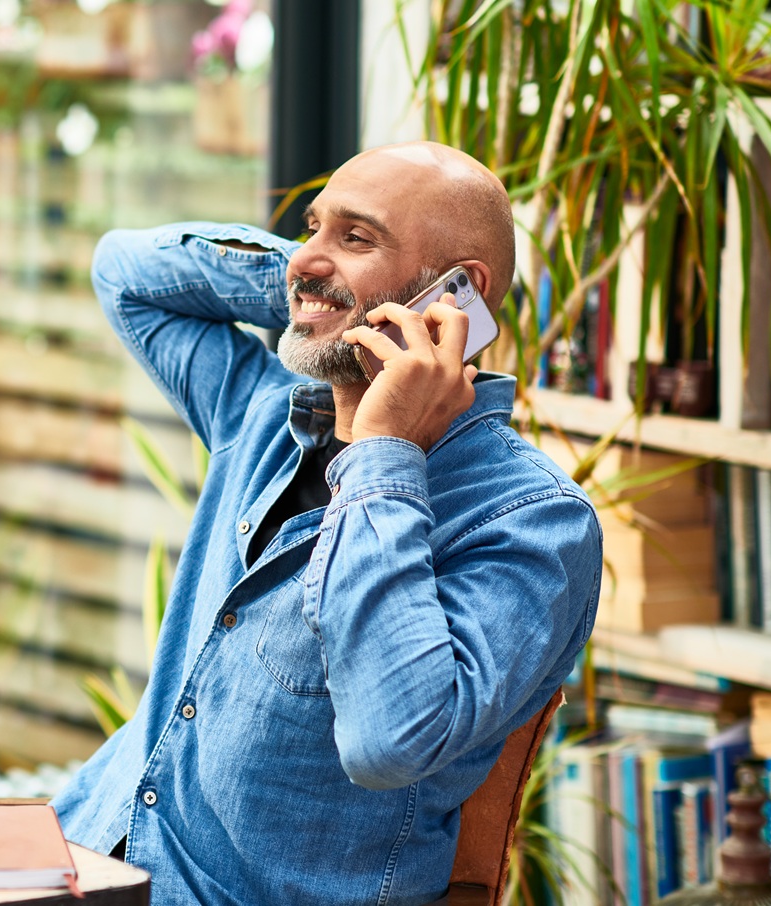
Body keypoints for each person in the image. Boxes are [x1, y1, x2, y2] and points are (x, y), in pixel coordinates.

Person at [50, 141, 603, 905]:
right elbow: (124, 272)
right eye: (312, 226)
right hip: (81, 854)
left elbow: (389, 741)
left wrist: (383, 452)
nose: (310, 254)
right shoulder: (263, 413)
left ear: (458, 293)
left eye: (356, 236)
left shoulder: (536, 523)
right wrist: (314, 284)